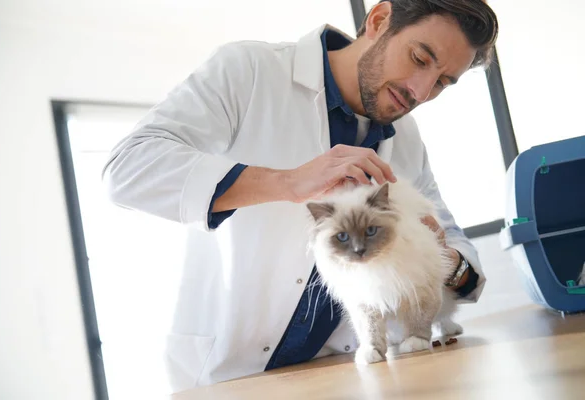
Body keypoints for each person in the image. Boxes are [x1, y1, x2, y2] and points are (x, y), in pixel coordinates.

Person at [102, 0, 499, 393]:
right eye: (419, 58)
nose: (421, 91)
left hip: (353, 373)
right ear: (379, 20)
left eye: (443, 82)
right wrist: (288, 182)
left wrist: (440, 255)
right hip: (231, 375)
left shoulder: (406, 138)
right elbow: (127, 169)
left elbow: (466, 269)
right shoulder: (248, 71)